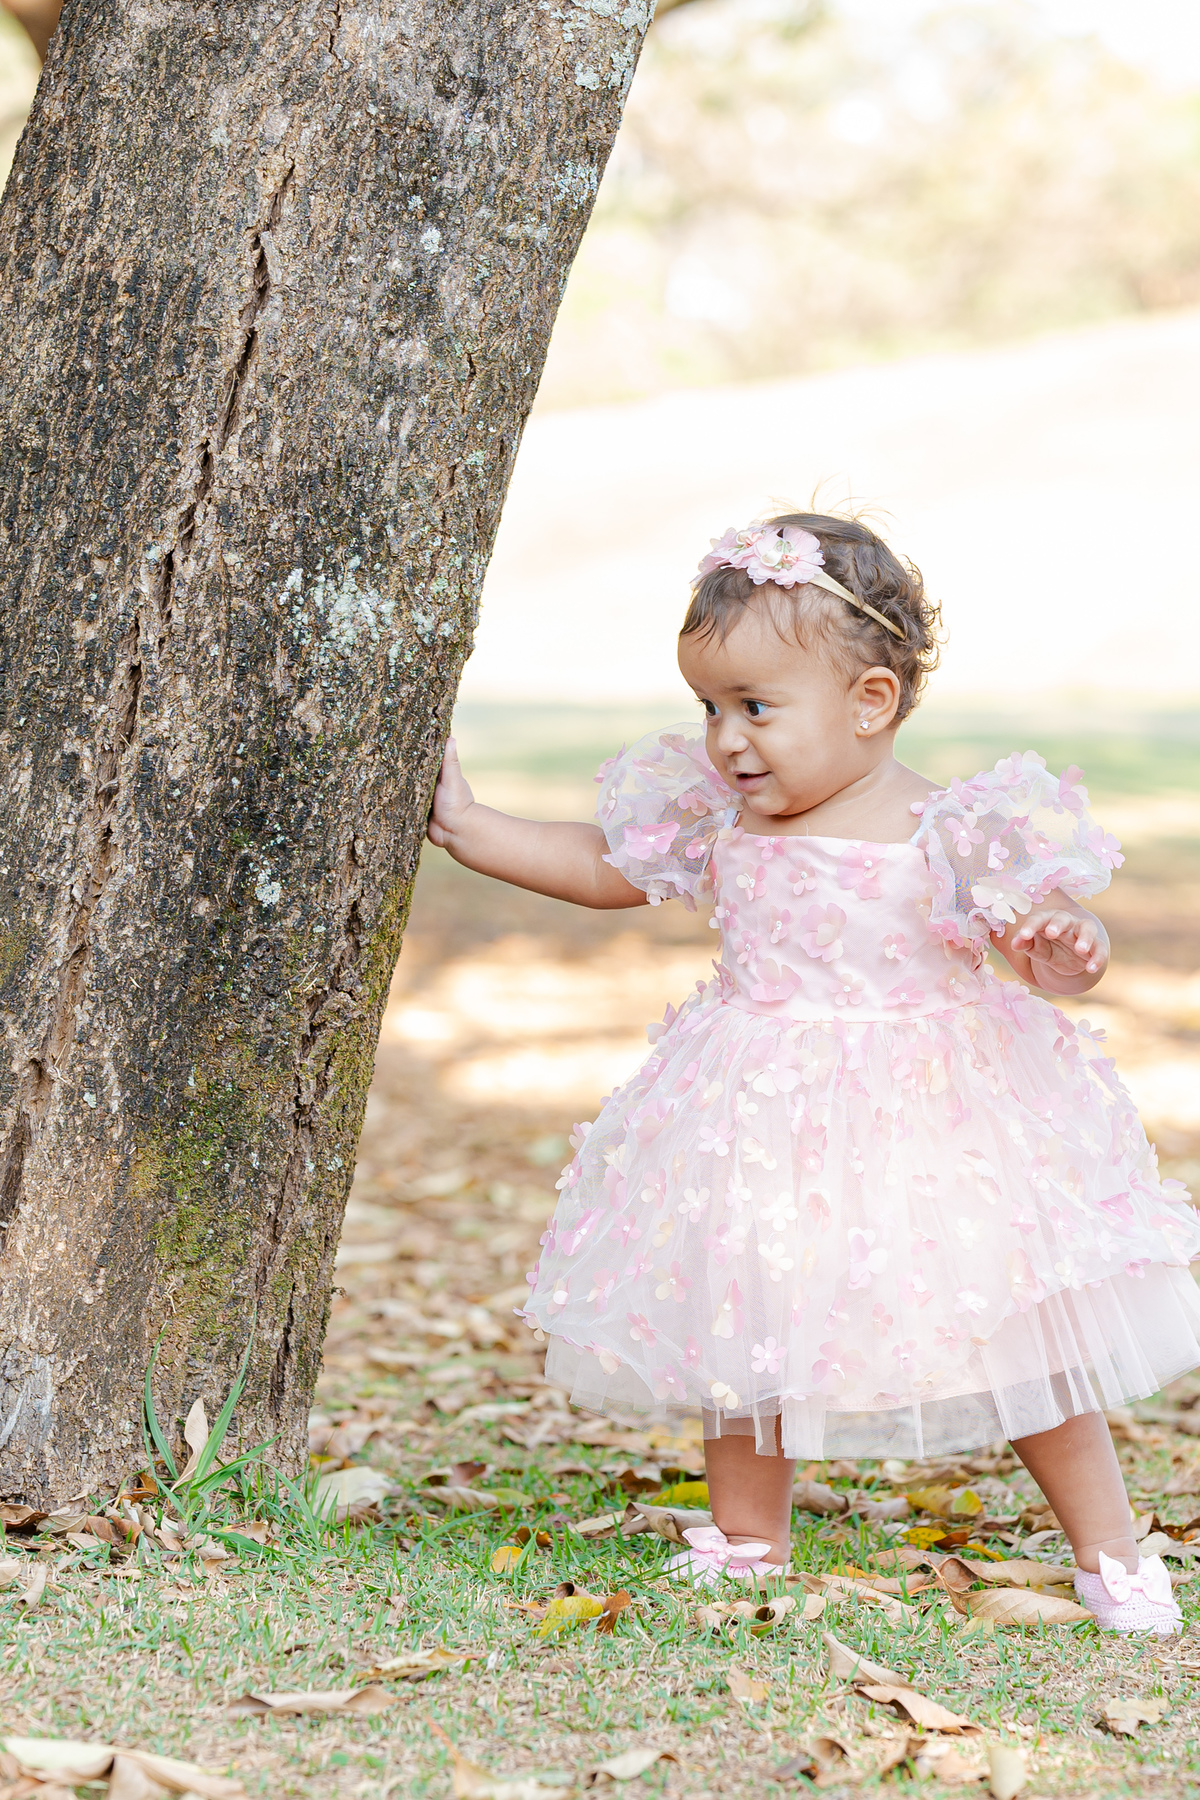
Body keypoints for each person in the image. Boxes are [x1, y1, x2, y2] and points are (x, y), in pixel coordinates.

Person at [428, 511, 1199, 1636]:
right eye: (710, 707)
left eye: (755, 707)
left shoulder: (947, 829)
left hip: (932, 1122)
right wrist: (470, 826)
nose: (726, 740)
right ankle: (747, 1542)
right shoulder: (722, 820)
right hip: (755, 1110)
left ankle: (1113, 1555)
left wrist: (1065, 946)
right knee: (744, 1310)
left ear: (870, 701)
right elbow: (600, 865)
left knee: (1016, 1323)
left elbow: (1040, 940)